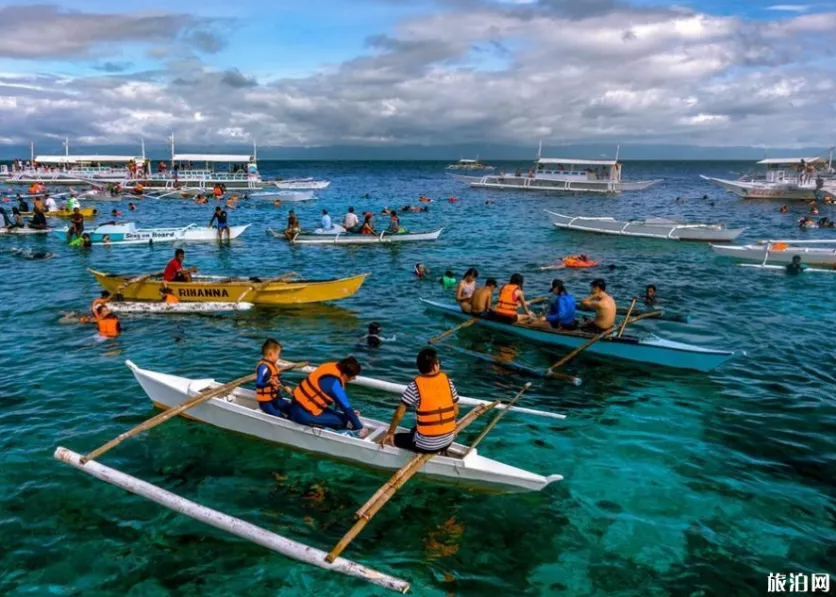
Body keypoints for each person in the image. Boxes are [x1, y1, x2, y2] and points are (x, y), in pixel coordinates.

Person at [379, 348, 459, 454]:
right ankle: (439, 446)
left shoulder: (414, 386)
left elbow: (399, 414)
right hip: (449, 440)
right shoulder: (448, 382)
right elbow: (456, 411)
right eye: (439, 363)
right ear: (435, 366)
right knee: (414, 430)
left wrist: (390, 432)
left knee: (396, 437)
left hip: (425, 446)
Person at [289, 357, 369, 436]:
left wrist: (351, 415)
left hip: (299, 405)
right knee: (344, 421)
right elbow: (347, 409)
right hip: (303, 415)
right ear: (345, 374)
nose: (354, 378)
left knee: (347, 418)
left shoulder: (330, 367)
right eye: (353, 376)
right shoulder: (334, 385)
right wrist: (359, 429)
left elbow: (343, 407)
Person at [255, 338, 292, 418]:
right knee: (279, 416)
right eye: (278, 355)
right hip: (266, 402)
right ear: (271, 354)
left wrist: (285, 387)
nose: (278, 357)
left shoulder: (273, 365)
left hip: (275, 398)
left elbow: (278, 379)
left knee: (291, 409)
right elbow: (258, 383)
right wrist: (269, 383)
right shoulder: (263, 367)